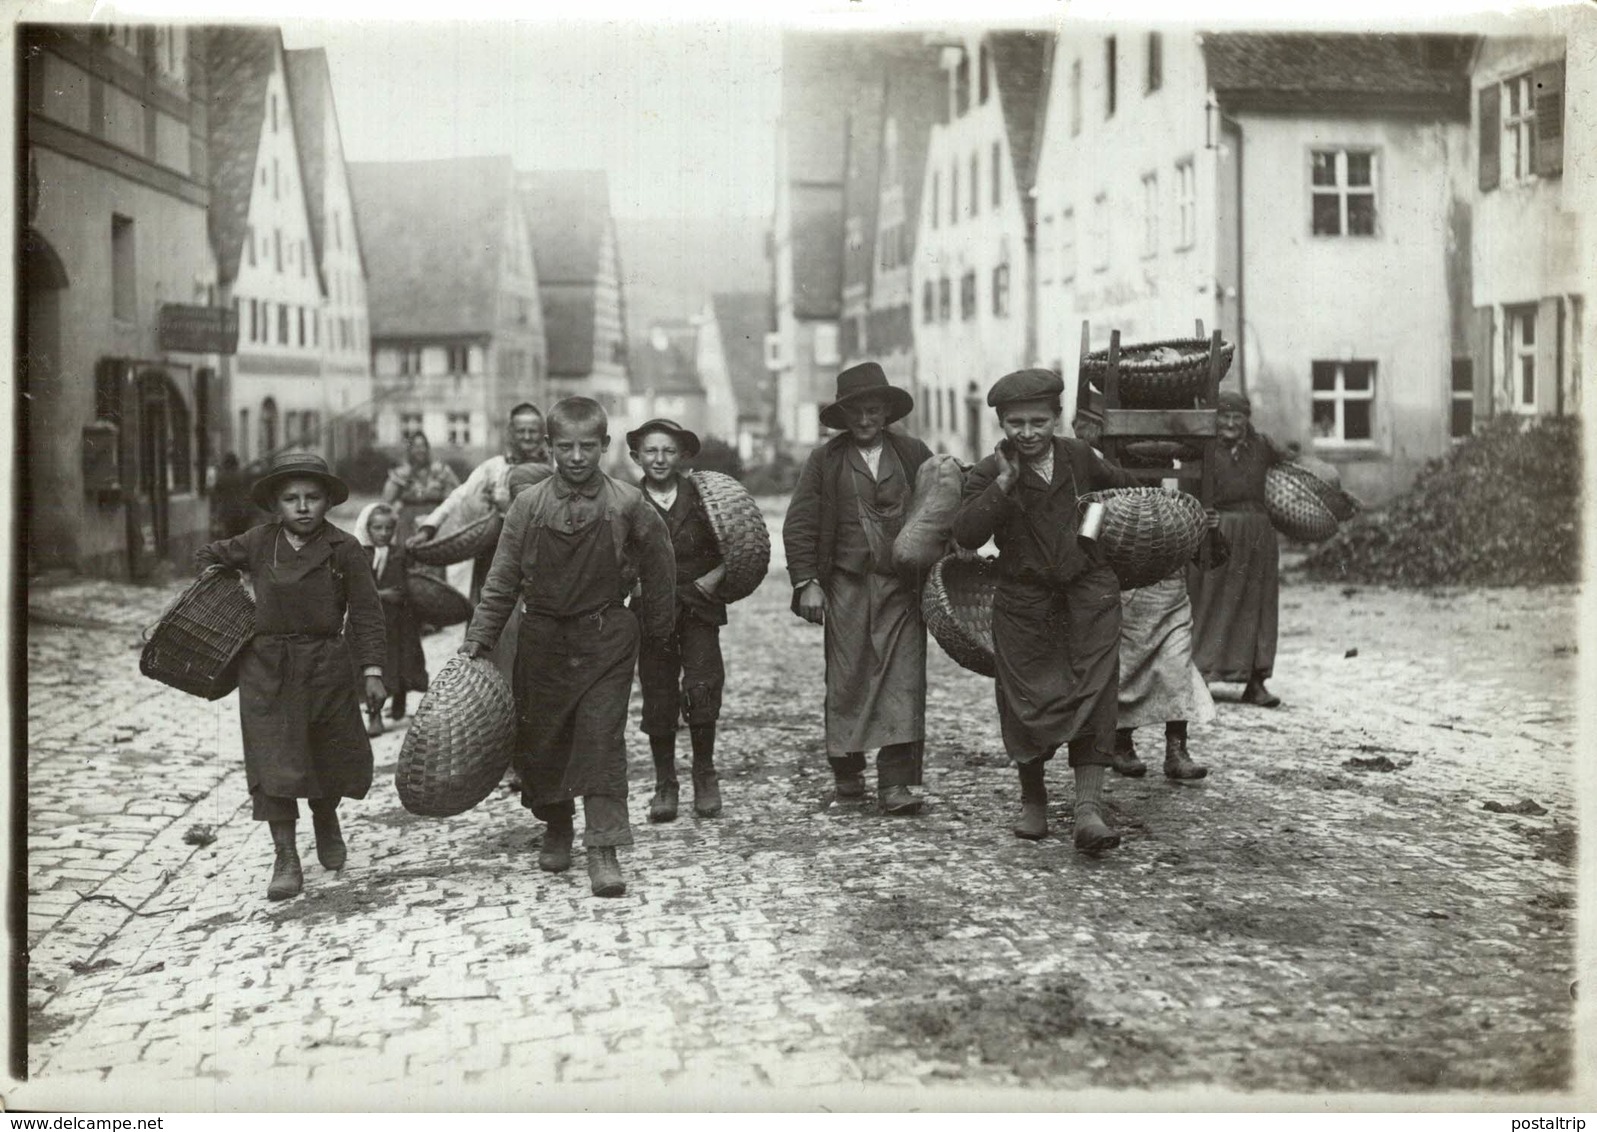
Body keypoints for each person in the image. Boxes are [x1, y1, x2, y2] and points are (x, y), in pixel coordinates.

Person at [459, 397, 675, 898]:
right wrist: (478, 642)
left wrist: (660, 633)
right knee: (544, 743)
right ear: (551, 448)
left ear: (604, 446)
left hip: (606, 637)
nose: (576, 457)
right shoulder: (528, 506)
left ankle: (604, 847)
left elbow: (661, 565)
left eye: (586, 447)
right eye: (565, 447)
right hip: (543, 639)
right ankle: (556, 824)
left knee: (602, 739)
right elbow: (501, 580)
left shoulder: (627, 503)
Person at [951, 369, 1140, 854]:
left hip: (1087, 596)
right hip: (1023, 600)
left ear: (1058, 418)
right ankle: (1033, 800)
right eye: (1016, 423)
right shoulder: (989, 471)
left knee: (1095, 693)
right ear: (1001, 423)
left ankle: (1087, 811)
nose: (1028, 433)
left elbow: (1126, 493)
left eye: (1039, 421)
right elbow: (967, 533)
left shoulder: (1079, 457)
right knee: (1025, 699)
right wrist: (1004, 486)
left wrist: (1107, 518)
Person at [195, 451, 387, 901]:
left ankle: (326, 816)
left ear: (327, 502)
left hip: (326, 665)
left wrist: (373, 670)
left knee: (326, 754)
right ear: (276, 504)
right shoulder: (259, 542)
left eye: (312, 497)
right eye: (290, 499)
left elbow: (367, 613)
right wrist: (223, 596)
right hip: (266, 667)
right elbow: (209, 555)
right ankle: (285, 856)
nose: (302, 507)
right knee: (271, 760)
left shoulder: (345, 549)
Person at [783, 361, 933, 815]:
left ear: (887, 411)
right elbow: (801, 523)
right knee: (847, 679)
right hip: (846, 586)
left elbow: (940, 508)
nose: (866, 421)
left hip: (902, 590)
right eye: (857, 413)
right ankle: (848, 775)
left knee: (903, 680)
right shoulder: (825, 460)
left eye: (874, 411)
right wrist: (807, 582)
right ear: (843, 417)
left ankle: (894, 784)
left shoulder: (912, 453)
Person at [1071, 403, 1217, 782]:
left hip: (1170, 595)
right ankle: (1122, 744)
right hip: (1128, 593)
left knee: (1175, 668)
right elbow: (1085, 538)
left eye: (1166, 462)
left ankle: (1176, 749)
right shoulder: (1105, 493)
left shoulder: (1182, 494)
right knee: (1126, 671)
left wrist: (1210, 528)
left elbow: (1208, 556)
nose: (1160, 469)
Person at [625, 418, 729, 823]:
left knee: (702, 685)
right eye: (650, 451)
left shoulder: (705, 498)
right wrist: (632, 587)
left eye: (668, 451)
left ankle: (705, 774)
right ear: (636, 456)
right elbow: (616, 556)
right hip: (653, 612)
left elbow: (735, 543)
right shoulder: (627, 502)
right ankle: (665, 782)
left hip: (700, 606)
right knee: (658, 691)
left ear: (683, 456)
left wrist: (715, 578)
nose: (659, 459)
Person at [1187, 389, 1296, 708]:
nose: (1232, 423)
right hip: (1217, 531)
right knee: (1210, 600)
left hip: (1258, 532)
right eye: (1225, 417)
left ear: (1247, 419)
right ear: (1215, 418)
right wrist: (1199, 514)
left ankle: (1256, 681)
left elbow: (1293, 462)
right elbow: (1188, 489)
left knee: (1257, 605)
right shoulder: (1203, 448)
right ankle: (1201, 674)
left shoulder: (1261, 446)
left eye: (1238, 417)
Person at [408, 403, 550, 606]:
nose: (527, 436)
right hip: (496, 554)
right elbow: (457, 497)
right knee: (491, 612)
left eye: (533, 431)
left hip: (541, 555)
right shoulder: (494, 467)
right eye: (521, 431)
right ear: (510, 433)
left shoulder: (555, 467)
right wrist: (427, 530)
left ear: (542, 434)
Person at [363, 503, 428, 732]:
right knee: (373, 667)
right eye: (377, 528)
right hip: (372, 621)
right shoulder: (361, 554)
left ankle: (399, 698)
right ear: (367, 528)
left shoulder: (399, 553)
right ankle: (374, 716)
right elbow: (356, 587)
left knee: (401, 659)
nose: (383, 533)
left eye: (388, 528)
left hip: (400, 619)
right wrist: (382, 595)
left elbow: (410, 580)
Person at [382, 432, 461, 582]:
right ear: (409, 450)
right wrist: (396, 509)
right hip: (407, 523)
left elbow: (456, 496)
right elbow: (386, 501)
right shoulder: (400, 474)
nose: (420, 450)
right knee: (407, 561)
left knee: (435, 562)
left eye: (424, 446)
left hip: (434, 522)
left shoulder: (440, 471)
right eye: (416, 446)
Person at [210, 452, 257, 540]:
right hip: (244, 512)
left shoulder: (221, 478)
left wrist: (216, 516)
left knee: (231, 538)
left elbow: (216, 497)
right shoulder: (244, 475)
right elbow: (251, 493)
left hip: (229, 514)